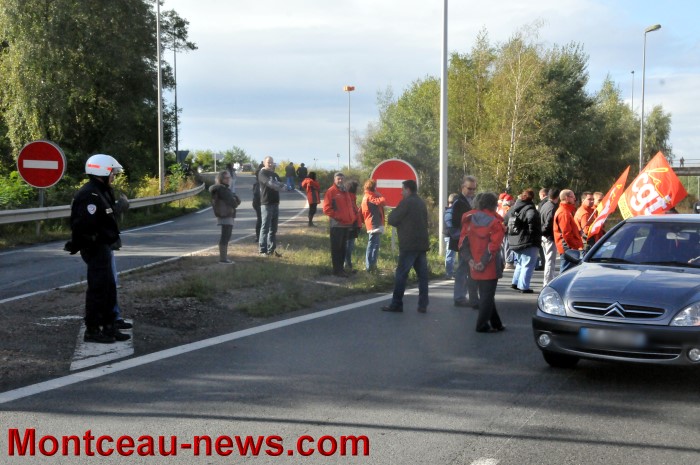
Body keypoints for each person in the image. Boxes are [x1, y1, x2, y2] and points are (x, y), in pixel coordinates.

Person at [67, 154, 131, 344]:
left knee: (109, 288)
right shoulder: (89, 194)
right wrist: (93, 241)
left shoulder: (101, 191)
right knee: (97, 289)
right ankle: (93, 330)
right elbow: (85, 225)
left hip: (103, 246)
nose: (114, 176)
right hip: (94, 247)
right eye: (112, 173)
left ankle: (109, 326)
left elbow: (106, 217)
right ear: (102, 171)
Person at [459, 192, 506, 333]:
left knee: (486, 295)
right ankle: (482, 325)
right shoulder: (496, 223)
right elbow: (493, 246)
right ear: (494, 205)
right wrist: (483, 262)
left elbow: (463, 243)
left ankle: (496, 323)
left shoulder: (469, 219)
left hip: (473, 262)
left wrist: (470, 260)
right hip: (489, 264)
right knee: (487, 296)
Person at [381, 180, 430, 313]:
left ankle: (396, 303)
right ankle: (423, 304)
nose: (401, 192)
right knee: (423, 276)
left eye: (402, 189)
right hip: (422, 243)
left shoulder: (406, 202)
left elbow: (392, 219)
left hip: (409, 244)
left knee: (401, 274)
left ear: (408, 189)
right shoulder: (421, 202)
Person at [505, 188, 542, 293]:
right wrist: (534, 234)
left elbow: (505, 220)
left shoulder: (513, 208)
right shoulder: (530, 209)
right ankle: (524, 286)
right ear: (532, 198)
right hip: (527, 240)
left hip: (514, 240)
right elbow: (532, 221)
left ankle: (515, 282)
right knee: (528, 264)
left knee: (520, 263)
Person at [322, 172, 359, 277]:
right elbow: (326, 209)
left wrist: (352, 218)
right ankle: (337, 270)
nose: (340, 181)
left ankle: (341, 270)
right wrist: (339, 217)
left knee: (343, 248)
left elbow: (349, 207)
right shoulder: (331, 191)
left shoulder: (345, 191)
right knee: (336, 249)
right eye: (338, 179)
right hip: (337, 225)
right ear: (334, 180)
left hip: (346, 225)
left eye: (342, 179)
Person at [452, 176, 480, 308]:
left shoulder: (472, 201)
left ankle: (468, 297)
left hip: (472, 240)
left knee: (470, 268)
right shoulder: (458, 202)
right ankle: (459, 297)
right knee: (463, 268)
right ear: (462, 187)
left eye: (474, 189)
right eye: (469, 188)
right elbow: (455, 222)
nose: (472, 191)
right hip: (463, 240)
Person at [209, 170, 240, 264]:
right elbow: (233, 203)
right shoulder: (223, 189)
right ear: (221, 179)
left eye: (229, 177)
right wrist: (235, 199)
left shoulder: (220, 188)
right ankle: (223, 259)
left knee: (226, 236)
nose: (228, 179)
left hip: (224, 214)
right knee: (226, 236)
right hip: (226, 214)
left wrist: (235, 199)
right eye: (226, 178)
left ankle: (224, 258)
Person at [258, 156, 286, 257]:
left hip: (275, 203)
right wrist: (278, 186)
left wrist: (279, 185)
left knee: (273, 229)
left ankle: (272, 249)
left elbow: (283, 186)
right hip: (266, 203)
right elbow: (270, 184)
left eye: (271, 162)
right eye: (268, 162)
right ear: (264, 163)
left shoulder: (275, 174)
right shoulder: (262, 173)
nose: (270, 164)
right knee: (265, 227)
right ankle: (262, 250)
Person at [554, 189, 584, 274]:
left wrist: (577, 232)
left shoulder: (566, 211)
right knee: (566, 272)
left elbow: (569, 230)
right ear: (567, 198)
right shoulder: (564, 212)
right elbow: (566, 233)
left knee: (568, 272)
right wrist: (575, 245)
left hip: (569, 246)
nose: (575, 199)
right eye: (573, 197)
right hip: (568, 247)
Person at [361, 179, 386, 273]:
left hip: (372, 223)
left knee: (373, 245)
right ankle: (370, 266)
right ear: (373, 187)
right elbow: (383, 202)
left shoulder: (366, 196)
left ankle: (371, 266)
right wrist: (380, 195)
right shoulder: (370, 197)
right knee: (373, 245)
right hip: (374, 223)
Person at [539, 188, 560, 286]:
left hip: (544, 236)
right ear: (557, 197)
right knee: (550, 261)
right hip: (549, 236)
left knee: (548, 259)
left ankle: (548, 279)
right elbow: (549, 222)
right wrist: (544, 231)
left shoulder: (545, 205)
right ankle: (547, 282)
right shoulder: (553, 207)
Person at [344, 180, 361, 272]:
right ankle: (347, 264)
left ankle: (348, 264)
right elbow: (351, 212)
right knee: (348, 246)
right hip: (350, 225)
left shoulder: (351, 197)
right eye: (357, 188)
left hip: (351, 225)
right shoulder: (349, 198)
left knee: (349, 246)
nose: (358, 189)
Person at [443, 193, 459, 279]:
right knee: (450, 254)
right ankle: (449, 273)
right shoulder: (451, 211)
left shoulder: (447, 210)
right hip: (450, 235)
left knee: (451, 254)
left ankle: (450, 272)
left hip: (449, 235)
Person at [252, 162, 263, 242]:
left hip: (258, 203)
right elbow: (257, 194)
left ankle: (260, 235)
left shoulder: (258, 183)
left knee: (261, 219)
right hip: (259, 203)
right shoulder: (258, 183)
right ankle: (258, 236)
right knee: (260, 219)